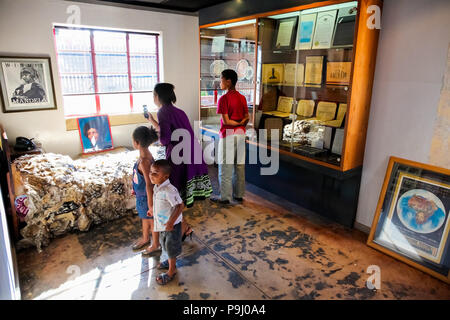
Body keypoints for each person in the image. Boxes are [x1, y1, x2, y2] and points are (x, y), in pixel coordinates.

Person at [147, 83, 212, 240]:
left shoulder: (162, 111)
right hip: (190, 151)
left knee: (172, 193)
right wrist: (154, 122)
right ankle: (183, 228)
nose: (153, 98)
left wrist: (155, 138)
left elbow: (165, 139)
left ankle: (179, 229)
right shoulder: (178, 111)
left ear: (158, 97)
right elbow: (172, 131)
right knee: (178, 192)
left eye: (154, 95)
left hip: (179, 155)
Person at [210, 69, 249, 205]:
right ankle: (239, 194)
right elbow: (247, 117)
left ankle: (225, 197)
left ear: (228, 81)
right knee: (239, 166)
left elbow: (226, 121)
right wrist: (240, 124)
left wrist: (234, 123)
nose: (220, 82)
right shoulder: (242, 97)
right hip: (241, 133)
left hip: (228, 135)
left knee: (225, 167)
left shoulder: (224, 99)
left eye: (221, 79)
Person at [150, 159, 184, 285]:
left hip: (171, 226)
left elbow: (180, 206)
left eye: (156, 173)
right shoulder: (157, 187)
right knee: (164, 245)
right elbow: (161, 203)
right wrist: (153, 210)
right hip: (162, 224)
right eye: (151, 172)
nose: (151, 175)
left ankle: (171, 270)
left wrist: (171, 222)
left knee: (171, 247)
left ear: (166, 176)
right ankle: (170, 261)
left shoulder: (170, 190)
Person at [131, 126, 161, 257]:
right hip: (141, 195)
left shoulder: (144, 161)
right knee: (145, 218)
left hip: (145, 197)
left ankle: (155, 244)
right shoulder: (145, 156)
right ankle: (145, 238)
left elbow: (149, 185)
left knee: (151, 220)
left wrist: (150, 204)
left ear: (137, 143)